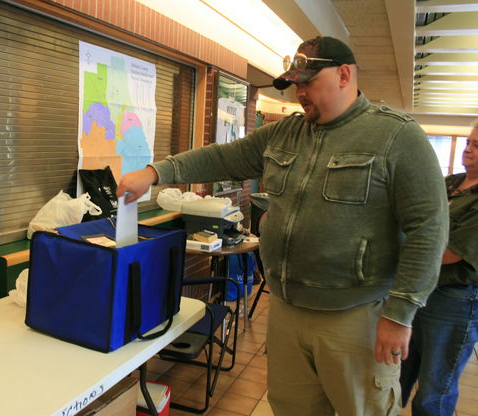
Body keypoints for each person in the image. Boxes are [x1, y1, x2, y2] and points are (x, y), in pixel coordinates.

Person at [117, 35, 449, 415]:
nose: (299, 93)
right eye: (295, 85)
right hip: (288, 311)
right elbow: (223, 157)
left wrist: (400, 313)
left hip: (357, 317)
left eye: (307, 82)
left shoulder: (397, 137)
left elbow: (429, 228)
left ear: (344, 74)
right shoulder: (285, 133)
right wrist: (157, 172)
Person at [400, 120, 478, 415]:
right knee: (396, 375)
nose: (468, 149)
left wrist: (403, 246)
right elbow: (410, 217)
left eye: (477, 145)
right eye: (469, 142)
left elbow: (449, 253)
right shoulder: (451, 182)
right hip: (419, 290)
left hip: (454, 301)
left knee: (435, 390)